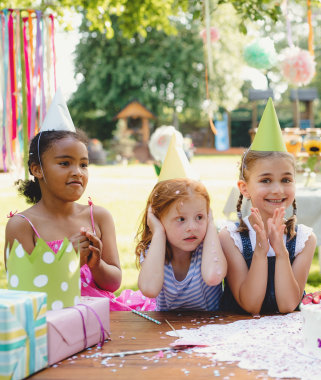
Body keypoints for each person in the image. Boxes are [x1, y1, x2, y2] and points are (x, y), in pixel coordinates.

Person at [4, 90, 145, 310]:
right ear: (37, 169)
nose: (78, 172)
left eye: (83, 164)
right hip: (51, 321)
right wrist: (67, 261)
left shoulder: (97, 217)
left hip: (101, 314)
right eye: (64, 163)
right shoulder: (22, 226)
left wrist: (96, 264)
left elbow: (113, 283)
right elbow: (23, 292)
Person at [219, 99, 316, 314]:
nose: (277, 190)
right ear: (244, 188)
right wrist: (261, 250)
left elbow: (288, 305)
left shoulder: (303, 240)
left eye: (286, 180)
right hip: (236, 335)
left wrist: (281, 252)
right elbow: (251, 305)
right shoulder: (230, 237)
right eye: (265, 180)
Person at [136, 136, 226, 311]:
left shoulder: (208, 246)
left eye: (200, 217)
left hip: (212, 328)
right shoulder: (154, 250)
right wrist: (159, 234)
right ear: (157, 218)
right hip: (169, 331)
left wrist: (211, 223)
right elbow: (149, 289)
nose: (192, 227)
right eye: (181, 219)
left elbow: (213, 276)